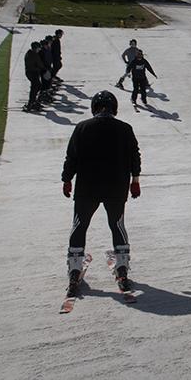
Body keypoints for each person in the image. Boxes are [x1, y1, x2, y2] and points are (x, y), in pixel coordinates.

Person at [61, 91, 141, 296]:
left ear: (93, 108)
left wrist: (67, 179)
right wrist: (135, 181)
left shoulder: (83, 127)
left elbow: (72, 157)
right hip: (116, 186)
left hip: (87, 187)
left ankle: (74, 271)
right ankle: (122, 268)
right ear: (114, 108)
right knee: (117, 225)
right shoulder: (125, 129)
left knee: (79, 226)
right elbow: (135, 156)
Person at [23, 41, 44, 112]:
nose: (39, 50)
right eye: (38, 48)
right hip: (33, 72)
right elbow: (40, 64)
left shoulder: (29, 53)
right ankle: (31, 103)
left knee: (38, 86)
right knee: (35, 87)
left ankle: (33, 101)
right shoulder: (34, 54)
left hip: (30, 72)